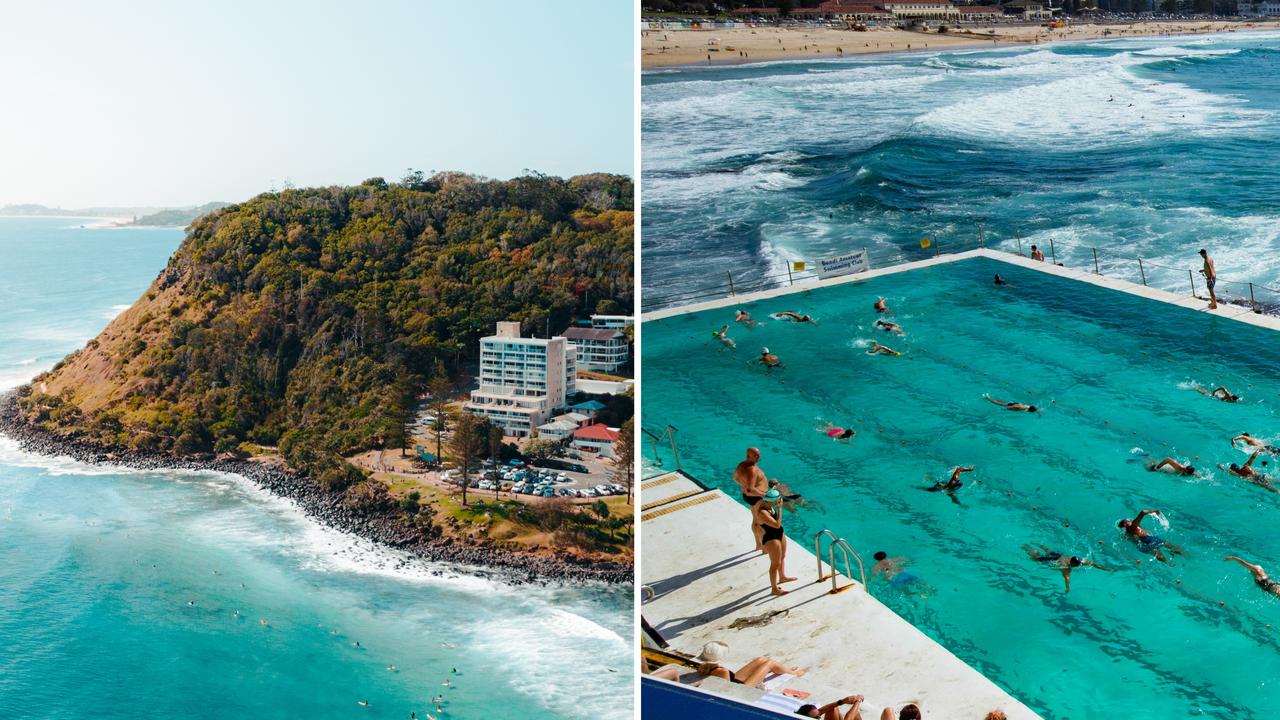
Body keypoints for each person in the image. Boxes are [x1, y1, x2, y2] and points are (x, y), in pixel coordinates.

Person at [695, 640, 806, 689]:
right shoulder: (721, 671)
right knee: (770, 664)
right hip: (740, 689)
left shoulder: (702, 666)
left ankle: (784, 670)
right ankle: (794, 673)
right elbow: (728, 690)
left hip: (734, 682)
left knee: (761, 660)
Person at [756, 488, 796, 595]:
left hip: (779, 534)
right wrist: (780, 509)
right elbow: (777, 524)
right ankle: (774, 589)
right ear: (772, 501)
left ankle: (782, 577)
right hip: (771, 538)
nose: (779, 502)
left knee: (782, 556)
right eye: (777, 500)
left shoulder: (769, 506)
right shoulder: (762, 512)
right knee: (775, 564)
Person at [1025, 544, 1108, 593]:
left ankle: (1037, 544)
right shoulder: (1066, 567)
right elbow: (1067, 577)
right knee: (1037, 557)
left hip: (1059, 555)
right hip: (1054, 560)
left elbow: (1093, 564)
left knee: (1049, 551)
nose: (1080, 565)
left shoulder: (1080, 560)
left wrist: (1105, 568)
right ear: (1073, 564)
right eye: (1078, 565)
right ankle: (1026, 548)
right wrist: (1067, 588)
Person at [734, 447, 771, 551]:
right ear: (748, 456)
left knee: (755, 519)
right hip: (757, 498)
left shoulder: (741, 465)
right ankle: (764, 547)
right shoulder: (752, 470)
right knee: (761, 522)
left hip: (749, 497)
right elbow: (751, 489)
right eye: (756, 455)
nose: (759, 457)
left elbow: (735, 478)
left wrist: (744, 486)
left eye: (758, 454)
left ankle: (758, 544)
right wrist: (764, 495)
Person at [1117, 509, 1184, 564]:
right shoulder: (1133, 525)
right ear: (1126, 524)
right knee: (1169, 546)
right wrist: (1154, 511)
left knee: (1158, 552)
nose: (1128, 522)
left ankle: (1167, 562)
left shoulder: (1127, 532)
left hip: (1144, 544)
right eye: (1126, 522)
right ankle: (1183, 554)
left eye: (1127, 521)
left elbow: (1132, 540)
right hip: (1148, 539)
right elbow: (1143, 512)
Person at [795, 695, 865, 720]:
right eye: (816, 717)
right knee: (854, 713)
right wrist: (858, 701)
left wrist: (843, 701)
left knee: (833, 708)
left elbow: (821, 710)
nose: (819, 717)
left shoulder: (809, 715)